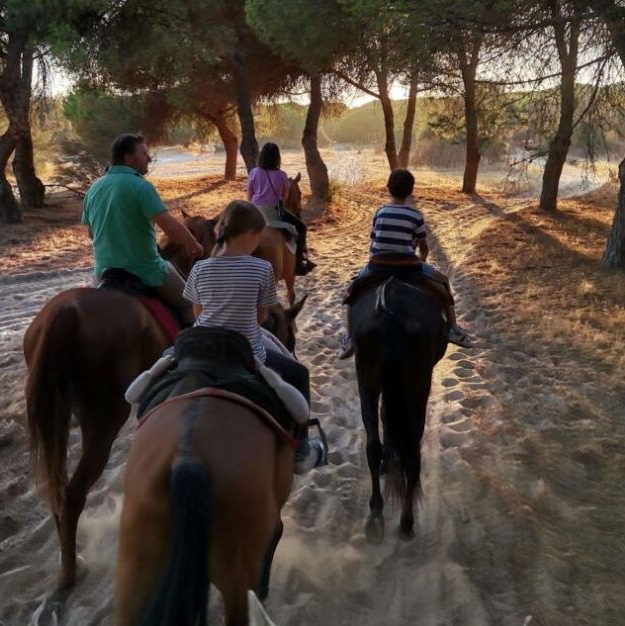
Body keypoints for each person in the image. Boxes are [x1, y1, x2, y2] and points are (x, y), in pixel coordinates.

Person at [183, 200, 327, 474]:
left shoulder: (200, 269)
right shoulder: (261, 270)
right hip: (244, 349)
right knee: (298, 374)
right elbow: (261, 317)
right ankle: (302, 450)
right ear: (250, 235)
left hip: (200, 347)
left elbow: (197, 311)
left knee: (162, 371)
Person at [339, 168, 473, 358]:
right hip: (408, 266)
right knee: (443, 283)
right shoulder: (415, 215)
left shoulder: (380, 212)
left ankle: (348, 336)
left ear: (388, 188)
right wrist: (422, 262)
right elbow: (424, 248)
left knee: (350, 292)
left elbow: (373, 241)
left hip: (378, 264)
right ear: (411, 190)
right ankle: (453, 327)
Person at [81, 133, 204, 324]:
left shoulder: (93, 188)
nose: (149, 158)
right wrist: (193, 243)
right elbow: (170, 227)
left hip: (102, 271)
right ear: (129, 158)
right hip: (145, 269)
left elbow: (91, 233)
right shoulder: (140, 186)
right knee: (191, 306)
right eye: (144, 153)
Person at [247, 142, 315, 276]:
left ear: (261, 157)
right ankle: (298, 264)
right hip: (272, 212)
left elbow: (249, 195)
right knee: (301, 227)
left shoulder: (254, 172)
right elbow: (284, 197)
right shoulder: (282, 175)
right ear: (277, 158)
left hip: (255, 212)